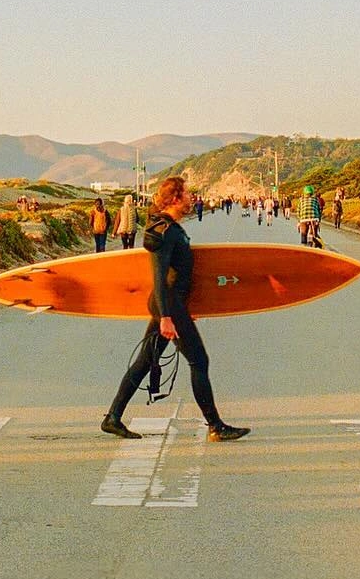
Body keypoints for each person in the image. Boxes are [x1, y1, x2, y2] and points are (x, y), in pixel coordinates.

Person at [102, 176, 249, 442]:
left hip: (171, 305)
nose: (192, 198)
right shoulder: (163, 232)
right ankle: (216, 426)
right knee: (199, 361)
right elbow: (159, 279)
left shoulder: (172, 228)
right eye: (188, 194)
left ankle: (113, 418)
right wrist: (167, 317)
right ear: (175, 198)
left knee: (145, 362)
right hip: (167, 305)